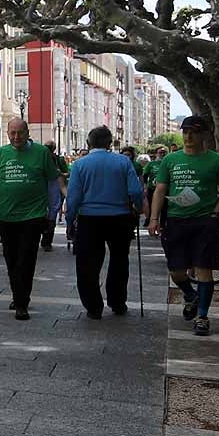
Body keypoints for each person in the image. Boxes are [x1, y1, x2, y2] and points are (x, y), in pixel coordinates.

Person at [149, 115, 219, 336]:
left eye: (194, 132)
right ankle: (190, 295)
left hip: (205, 221)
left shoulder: (217, 160)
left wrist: (216, 213)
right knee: (176, 272)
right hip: (176, 221)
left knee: (204, 271)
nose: (189, 136)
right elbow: (160, 190)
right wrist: (154, 218)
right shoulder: (170, 160)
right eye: (185, 131)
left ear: (205, 135)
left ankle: (203, 316)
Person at [0, 118, 64, 320]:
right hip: (6, 216)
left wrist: (52, 213)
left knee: (26, 259)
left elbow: (52, 185)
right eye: (12, 133)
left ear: (27, 133)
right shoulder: (0, 154)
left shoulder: (41, 153)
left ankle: (21, 302)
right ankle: (18, 294)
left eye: (20, 133)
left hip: (33, 216)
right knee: (11, 259)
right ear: (7, 134)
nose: (16, 137)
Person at [65, 126, 145, 319]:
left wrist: (70, 221)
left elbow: (73, 197)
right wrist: (138, 208)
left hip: (89, 220)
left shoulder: (80, 165)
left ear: (88, 143)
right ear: (110, 144)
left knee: (87, 265)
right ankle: (117, 302)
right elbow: (135, 191)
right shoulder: (124, 162)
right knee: (119, 260)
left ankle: (93, 306)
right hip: (119, 218)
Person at [41, 141, 70, 252]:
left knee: (51, 218)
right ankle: (45, 240)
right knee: (44, 218)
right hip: (42, 195)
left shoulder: (58, 160)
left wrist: (68, 197)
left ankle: (47, 241)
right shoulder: (41, 161)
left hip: (54, 194)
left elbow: (64, 178)